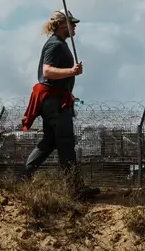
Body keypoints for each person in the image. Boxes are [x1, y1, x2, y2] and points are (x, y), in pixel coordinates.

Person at [17, 10, 100, 198]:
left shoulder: (59, 44)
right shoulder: (55, 45)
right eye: (72, 22)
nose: (75, 25)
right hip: (54, 102)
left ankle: (21, 178)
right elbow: (47, 72)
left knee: (50, 141)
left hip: (53, 100)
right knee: (65, 142)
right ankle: (75, 189)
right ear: (62, 24)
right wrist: (71, 71)